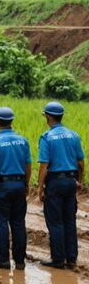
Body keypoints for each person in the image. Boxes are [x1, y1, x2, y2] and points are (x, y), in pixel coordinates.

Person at [38, 102, 85, 269]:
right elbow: (80, 162)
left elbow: (44, 165)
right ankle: (71, 259)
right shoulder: (74, 135)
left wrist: (40, 187)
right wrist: (80, 180)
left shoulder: (47, 137)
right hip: (71, 181)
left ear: (48, 117)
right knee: (69, 221)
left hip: (55, 183)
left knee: (56, 222)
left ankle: (58, 259)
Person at [0, 107, 31, 270]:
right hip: (19, 184)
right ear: (11, 121)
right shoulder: (22, 141)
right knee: (18, 223)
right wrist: (26, 183)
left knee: (1, 223)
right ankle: (20, 261)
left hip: (2, 186)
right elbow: (28, 165)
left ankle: (3, 260)